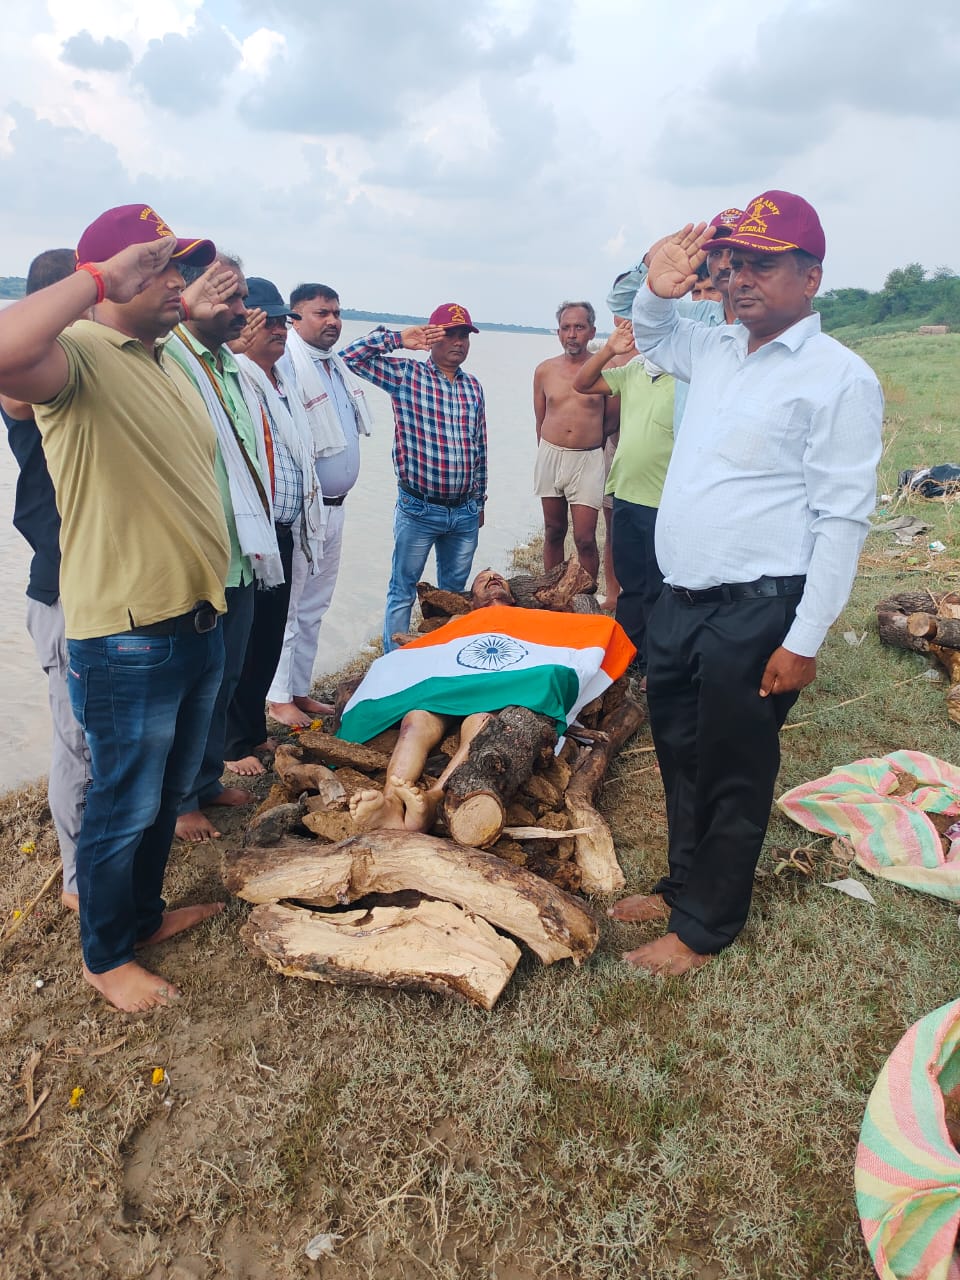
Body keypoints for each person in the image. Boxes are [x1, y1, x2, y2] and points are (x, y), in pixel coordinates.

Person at [613, 191, 883, 976]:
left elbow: (842, 520)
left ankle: (705, 927)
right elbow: (655, 338)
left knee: (734, 767)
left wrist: (804, 639)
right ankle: (681, 883)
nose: (737, 280)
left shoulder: (838, 379)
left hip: (758, 612)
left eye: (761, 265)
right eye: (730, 265)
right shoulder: (717, 348)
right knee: (679, 752)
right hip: (681, 601)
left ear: (812, 276)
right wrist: (658, 286)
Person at [0, 203, 233, 1013]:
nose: (180, 280)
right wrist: (96, 279)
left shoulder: (164, 358)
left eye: (182, 265)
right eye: (164, 266)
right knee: (122, 804)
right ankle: (105, 956)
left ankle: (140, 918)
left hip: (197, 622)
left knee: (163, 800)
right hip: (129, 636)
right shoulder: (79, 355)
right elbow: (4, 350)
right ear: (118, 274)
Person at [342, 569, 635, 831]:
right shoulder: (461, 623)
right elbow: (422, 659)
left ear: (512, 596)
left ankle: (433, 800)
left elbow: (596, 632)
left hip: (497, 689)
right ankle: (392, 804)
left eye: (498, 578)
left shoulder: (538, 618)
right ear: (472, 600)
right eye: (482, 580)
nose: (492, 578)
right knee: (415, 719)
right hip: (453, 686)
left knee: (482, 723)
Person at [166, 255, 282, 842]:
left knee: (224, 673)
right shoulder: (169, 356)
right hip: (200, 551)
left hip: (242, 548)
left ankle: (206, 777)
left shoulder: (224, 364)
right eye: (230, 297)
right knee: (192, 684)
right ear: (185, 297)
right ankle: (182, 798)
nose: (244, 310)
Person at [2, 248, 91, 911]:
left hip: (101, 583)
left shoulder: (89, 365)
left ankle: (101, 865)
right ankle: (77, 882)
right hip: (63, 587)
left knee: (101, 740)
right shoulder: (29, 375)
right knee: (76, 744)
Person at [224, 278, 328, 772]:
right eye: (265, 320)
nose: (278, 330)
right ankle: (232, 745)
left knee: (267, 637)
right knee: (240, 644)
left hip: (284, 529)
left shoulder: (282, 380)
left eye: (282, 321)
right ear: (243, 325)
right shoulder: (236, 376)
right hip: (251, 534)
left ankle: (251, 732)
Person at [341, 304, 487, 652]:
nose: (458, 342)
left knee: (452, 594)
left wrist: (480, 500)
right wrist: (399, 339)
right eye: (449, 333)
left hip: (464, 512)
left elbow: (479, 446)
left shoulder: (473, 387)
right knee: (403, 587)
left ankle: (439, 656)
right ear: (431, 336)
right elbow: (349, 357)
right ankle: (395, 663)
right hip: (419, 510)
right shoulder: (407, 376)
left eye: (464, 334)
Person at [267, 283, 373, 727]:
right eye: (320, 313)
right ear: (294, 318)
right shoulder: (287, 364)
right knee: (289, 607)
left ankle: (299, 688)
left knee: (315, 606)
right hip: (304, 508)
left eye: (336, 312)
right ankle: (277, 698)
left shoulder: (335, 366)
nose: (332, 321)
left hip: (336, 507)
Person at [572, 318, 675, 679]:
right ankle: (629, 658)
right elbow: (582, 382)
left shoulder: (685, 378)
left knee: (659, 586)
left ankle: (655, 661)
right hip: (626, 493)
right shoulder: (632, 371)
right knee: (632, 584)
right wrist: (609, 350)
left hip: (665, 499)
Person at [533, 301, 611, 583]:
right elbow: (540, 419)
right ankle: (551, 593)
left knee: (585, 537)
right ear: (558, 333)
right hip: (551, 455)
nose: (572, 334)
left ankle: (585, 600)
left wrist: (590, 445)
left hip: (588, 457)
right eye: (566, 328)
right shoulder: (545, 370)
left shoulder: (605, 368)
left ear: (591, 331)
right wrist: (545, 452)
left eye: (579, 327)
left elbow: (611, 419)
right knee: (554, 529)